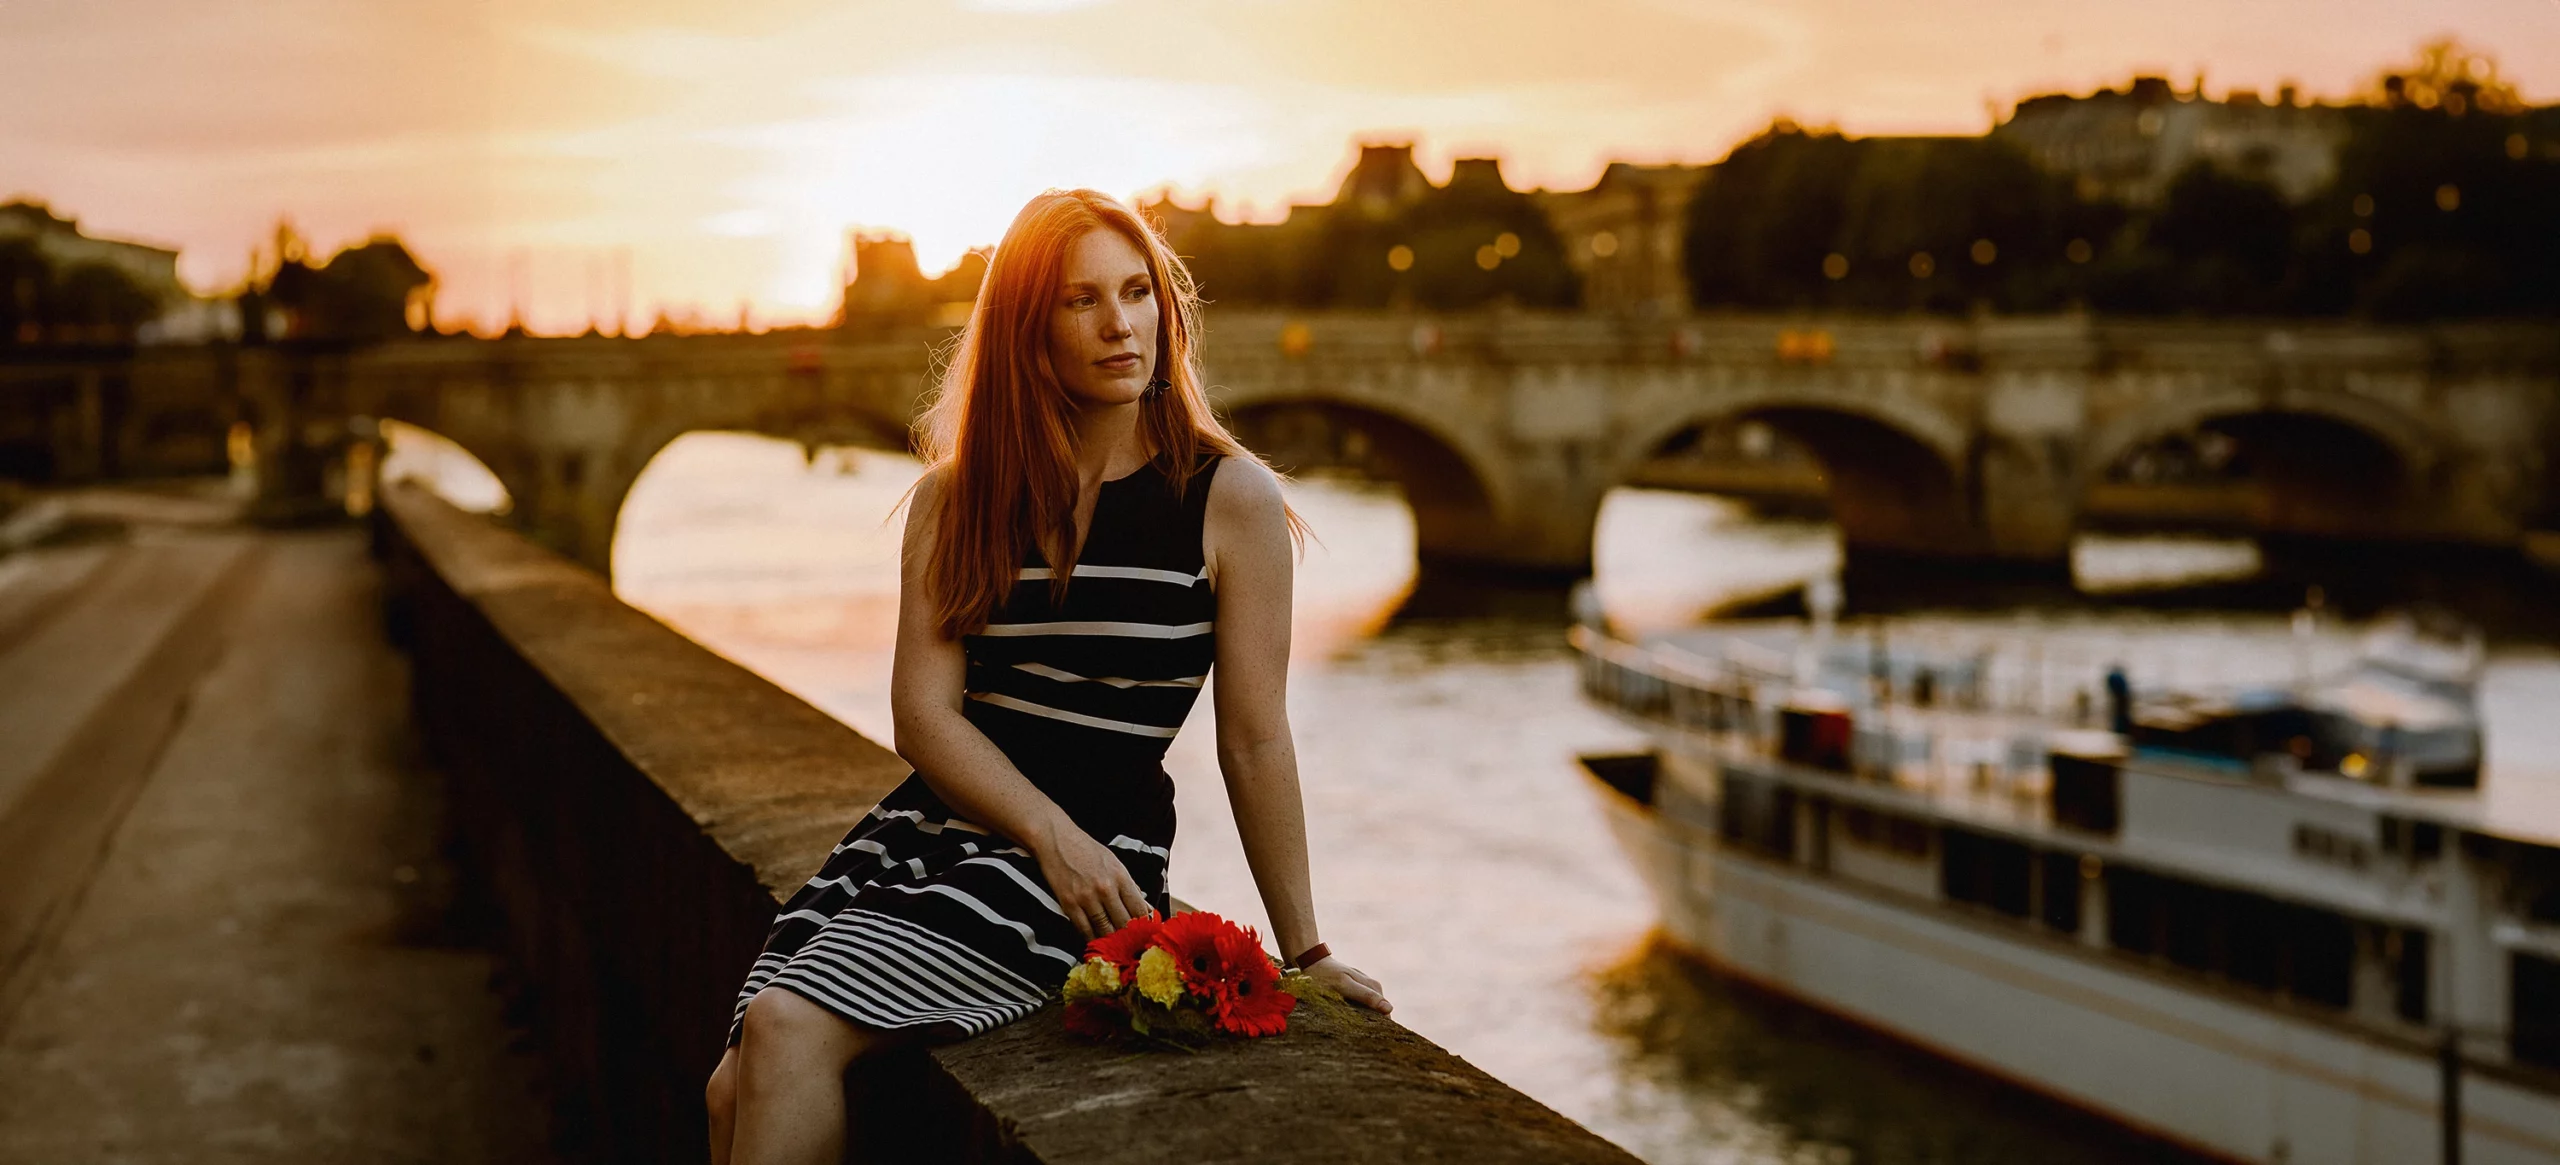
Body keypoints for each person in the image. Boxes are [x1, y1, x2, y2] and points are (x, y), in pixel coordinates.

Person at [704, 189, 1391, 1165]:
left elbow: (1253, 736)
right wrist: (1043, 831)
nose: (1121, 323)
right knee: (731, 1082)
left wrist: (1305, 950)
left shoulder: (1225, 497)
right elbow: (922, 715)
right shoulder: (957, 497)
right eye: (1081, 301)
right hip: (926, 838)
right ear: (1030, 332)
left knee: (785, 1031)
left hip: (1093, 865)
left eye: (1136, 291)